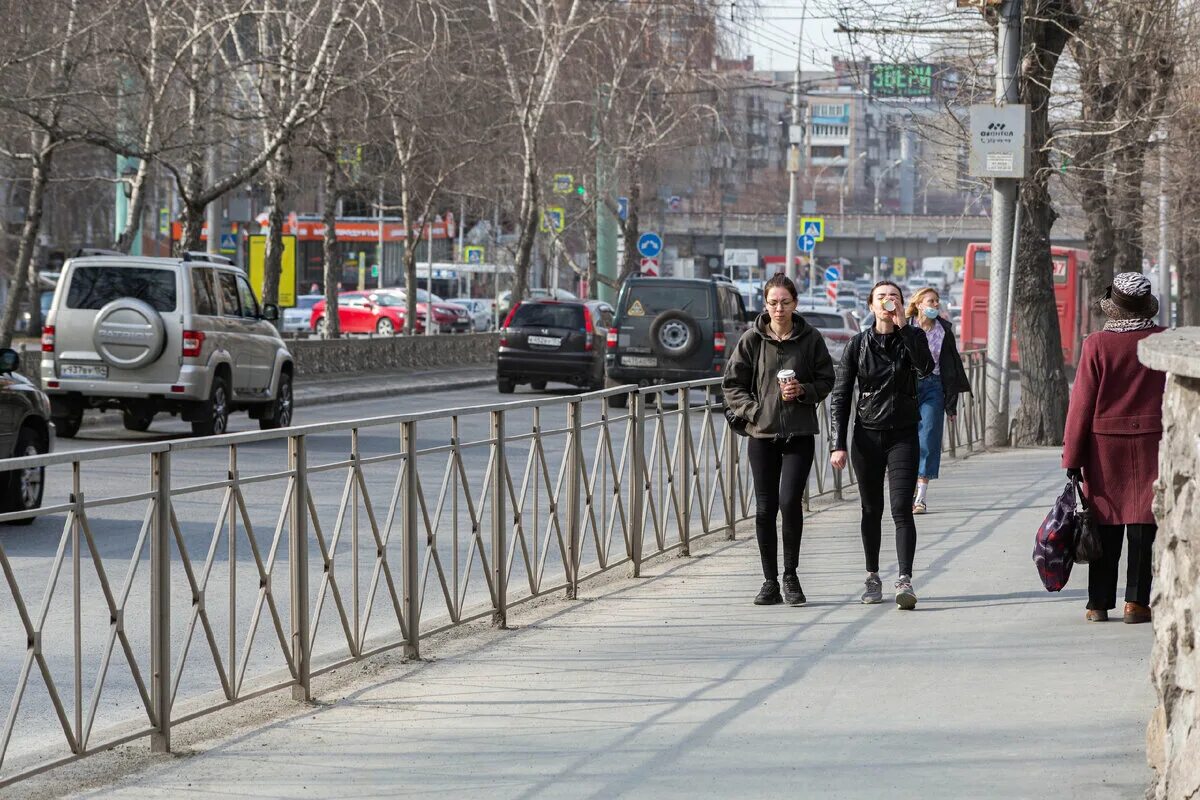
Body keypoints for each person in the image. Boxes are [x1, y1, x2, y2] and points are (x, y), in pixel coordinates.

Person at [724, 273, 836, 606]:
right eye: (773, 302)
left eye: (785, 302)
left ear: (795, 304)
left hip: (799, 434)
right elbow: (732, 385)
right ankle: (769, 581)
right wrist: (755, 411)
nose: (779, 308)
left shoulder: (810, 338)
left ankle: (791, 575)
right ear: (765, 304)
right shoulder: (752, 340)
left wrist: (804, 390)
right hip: (761, 435)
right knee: (765, 508)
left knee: (790, 503)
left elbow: (827, 378)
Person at [1063, 272, 1166, 624]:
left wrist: (1072, 456)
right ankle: (1136, 603)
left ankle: (1098, 603)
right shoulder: (1162, 340)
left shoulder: (1096, 344)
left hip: (1105, 448)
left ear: (1114, 309)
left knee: (1103, 524)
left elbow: (1081, 405)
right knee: (1144, 523)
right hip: (1155, 442)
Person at [829, 281, 934, 609]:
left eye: (895, 298)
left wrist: (905, 327)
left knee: (902, 508)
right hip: (867, 436)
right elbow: (842, 394)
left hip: (902, 434)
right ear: (871, 307)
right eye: (882, 298)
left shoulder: (912, 337)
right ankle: (872, 576)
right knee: (870, 509)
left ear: (903, 305)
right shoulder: (858, 345)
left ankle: (905, 579)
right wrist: (838, 443)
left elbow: (926, 369)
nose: (889, 303)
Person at [905, 287, 972, 514]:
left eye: (937, 301)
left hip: (933, 387)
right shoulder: (906, 327)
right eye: (930, 301)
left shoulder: (943, 331)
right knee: (908, 440)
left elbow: (951, 368)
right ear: (918, 304)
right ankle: (908, 487)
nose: (935, 305)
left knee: (928, 440)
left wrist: (950, 404)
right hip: (907, 388)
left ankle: (920, 498)